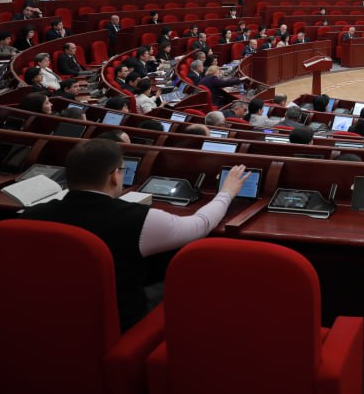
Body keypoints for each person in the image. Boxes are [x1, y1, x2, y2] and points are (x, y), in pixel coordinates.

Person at [21, 139, 248, 330]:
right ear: (114, 177)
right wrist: (226, 193)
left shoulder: (28, 217)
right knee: (190, 281)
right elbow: (201, 224)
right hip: (118, 322)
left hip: (49, 316)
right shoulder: (140, 220)